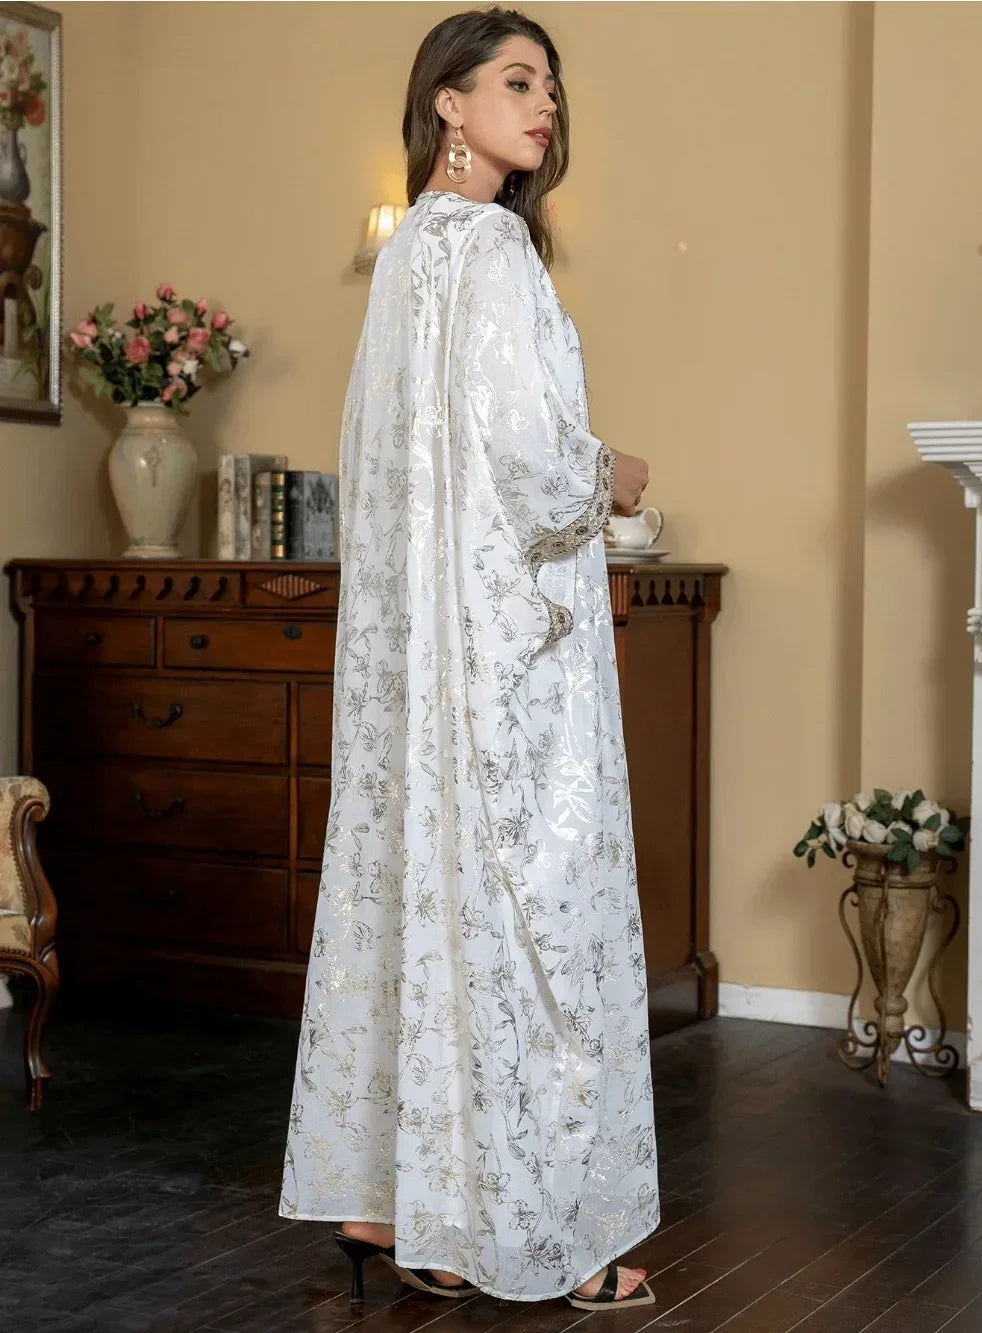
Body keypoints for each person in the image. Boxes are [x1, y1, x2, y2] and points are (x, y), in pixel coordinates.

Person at [280, 5, 658, 1310]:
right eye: (516, 80)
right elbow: (531, 463)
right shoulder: (493, 248)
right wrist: (614, 470)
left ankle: (395, 1206)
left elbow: (385, 463)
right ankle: (545, 1233)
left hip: (417, 659)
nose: (544, 105)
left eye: (550, 87)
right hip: (501, 661)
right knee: (529, 917)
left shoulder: (406, 257)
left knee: (421, 898)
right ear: (447, 101)